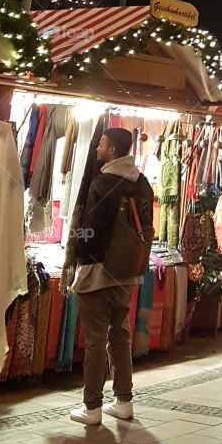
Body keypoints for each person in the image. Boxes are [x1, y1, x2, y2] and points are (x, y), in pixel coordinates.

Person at [69, 127, 154, 426]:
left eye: (101, 145)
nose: (97, 150)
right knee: (120, 334)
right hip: (128, 272)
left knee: (94, 340)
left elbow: (92, 230)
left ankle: (91, 407)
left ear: (113, 151)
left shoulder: (103, 182)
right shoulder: (141, 183)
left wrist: (80, 259)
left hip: (99, 270)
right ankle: (124, 402)